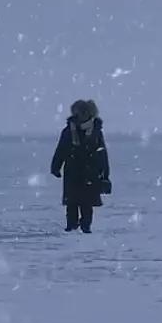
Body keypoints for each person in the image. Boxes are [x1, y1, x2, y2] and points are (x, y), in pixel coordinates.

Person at [50, 99, 110, 233]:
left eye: (84, 113)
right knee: (72, 202)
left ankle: (85, 226)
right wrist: (55, 166)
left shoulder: (95, 131)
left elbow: (102, 153)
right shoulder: (68, 131)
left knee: (86, 203)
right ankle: (71, 224)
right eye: (79, 113)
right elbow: (61, 149)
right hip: (72, 170)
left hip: (90, 171)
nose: (81, 116)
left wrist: (105, 175)